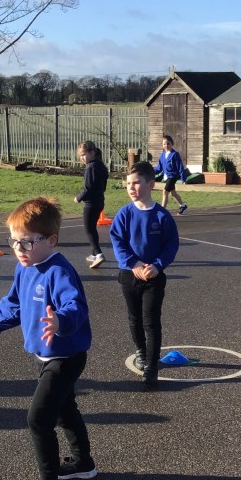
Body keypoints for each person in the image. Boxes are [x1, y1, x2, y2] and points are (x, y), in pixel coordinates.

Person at [0, 197, 97, 480]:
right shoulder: (24, 269)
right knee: (65, 409)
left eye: (27, 242)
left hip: (65, 357)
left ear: (51, 240)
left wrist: (60, 321)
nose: (19, 248)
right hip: (46, 355)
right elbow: (14, 305)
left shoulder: (59, 272)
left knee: (38, 418)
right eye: (14, 241)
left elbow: (75, 307)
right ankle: (83, 462)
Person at [110, 161, 179, 387]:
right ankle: (141, 351)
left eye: (136, 183)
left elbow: (171, 245)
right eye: (128, 184)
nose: (131, 187)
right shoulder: (124, 214)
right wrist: (133, 263)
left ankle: (151, 366)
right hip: (130, 276)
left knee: (151, 321)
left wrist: (157, 265)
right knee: (135, 319)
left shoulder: (162, 216)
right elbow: (117, 241)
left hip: (154, 277)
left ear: (151, 184)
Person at [75, 140, 109, 268]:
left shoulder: (91, 168)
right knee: (93, 228)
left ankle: (99, 254)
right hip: (100, 201)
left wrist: (78, 198)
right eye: (80, 155)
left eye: (84, 154)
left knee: (88, 229)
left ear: (92, 153)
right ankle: (94, 254)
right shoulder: (101, 165)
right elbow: (102, 186)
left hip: (91, 204)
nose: (82, 158)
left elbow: (88, 189)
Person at [154, 135, 188, 215]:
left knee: (165, 191)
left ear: (172, 144)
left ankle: (162, 211)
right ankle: (183, 206)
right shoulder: (162, 155)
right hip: (167, 176)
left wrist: (183, 178)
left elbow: (180, 167)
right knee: (173, 193)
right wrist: (151, 172)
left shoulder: (175, 154)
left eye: (168, 143)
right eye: (164, 144)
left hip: (173, 176)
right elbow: (159, 168)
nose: (166, 145)